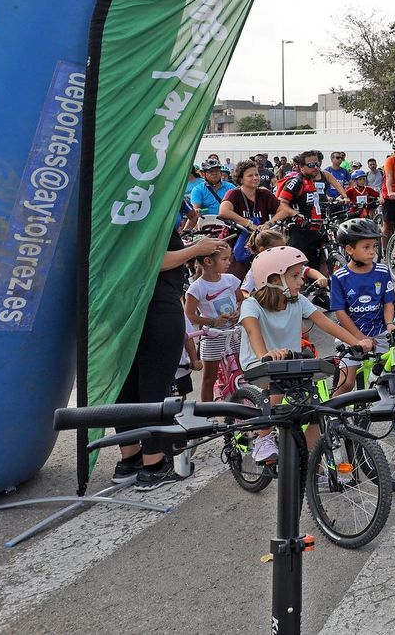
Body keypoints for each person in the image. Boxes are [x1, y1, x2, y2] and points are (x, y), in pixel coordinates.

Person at [111, 204, 228, 491]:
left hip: (120, 305)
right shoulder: (149, 208)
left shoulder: (121, 208)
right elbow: (152, 259)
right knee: (154, 388)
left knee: (127, 385)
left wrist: (190, 245)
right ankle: (153, 464)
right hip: (156, 306)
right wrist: (195, 249)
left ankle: (130, 459)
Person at [239, 246, 374, 462]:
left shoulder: (297, 301)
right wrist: (266, 354)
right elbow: (252, 330)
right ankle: (262, 441)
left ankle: (313, 466)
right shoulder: (251, 305)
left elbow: (326, 323)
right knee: (277, 392)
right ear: (273, 279)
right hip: (259, 363)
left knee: (312, 409)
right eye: (294, 276)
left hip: (291, 363)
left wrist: (357, 342)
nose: (301, 281)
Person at [328, 218, 395, 396]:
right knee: (347, 383)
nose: (372, 252)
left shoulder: (382, 272)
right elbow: (340, 313)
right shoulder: (340, 277)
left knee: (388, 376)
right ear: (349, 250)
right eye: (366, 247)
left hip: (379, 332)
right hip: (351, 334)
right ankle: (332, 415)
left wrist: (390, 324)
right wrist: (359, 338)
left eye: (374, 246)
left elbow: (388, 302)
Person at [185, 247, 243, 403]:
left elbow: (242, 300)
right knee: (209, 379)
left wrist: (239, 312)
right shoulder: (197, 288)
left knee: (241, 371)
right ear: (208, 262)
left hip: (234, 332)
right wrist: (213, 322)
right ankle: (207, 415)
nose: (229, 263)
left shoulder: (230, 279)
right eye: (224, 259)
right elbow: (190, 315)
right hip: (212, 336)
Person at [275, 151, 334, 273]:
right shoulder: (297, 182)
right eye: (311, 165)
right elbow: (281, 202)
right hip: (300, 230)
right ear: (301, 167)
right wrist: (295, 214)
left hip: (315, 228)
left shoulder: (314, 181)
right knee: (298, 268)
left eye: (317, 164)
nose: (316, 167)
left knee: (316, 263)